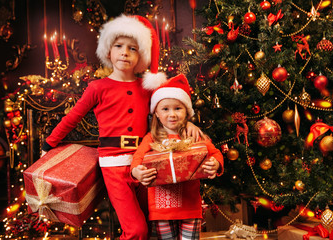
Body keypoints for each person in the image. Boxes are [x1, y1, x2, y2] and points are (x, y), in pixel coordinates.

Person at [41, 15, 203, 240]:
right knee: (137, 230)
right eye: (119, 46)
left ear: (141, 56)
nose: (125, 52)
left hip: (146, 162)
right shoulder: (97, 87)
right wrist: (49, 143)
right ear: (108, 51)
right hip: (114, 167)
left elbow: (172, 107)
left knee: (153, 223)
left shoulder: (147, 88)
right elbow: (73, 117)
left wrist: (190, 123)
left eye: (133, 48)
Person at [131, 74, 224, 240]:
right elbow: (137, 159)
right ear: (157, 113)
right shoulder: (151, 138)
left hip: (190, 207)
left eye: (178, 108)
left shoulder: (193, 134)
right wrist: (137, 172)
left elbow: (215, 152)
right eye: (165, 109)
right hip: (161, 209)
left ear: (187, 112)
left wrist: (216, 164)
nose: (172, 114)